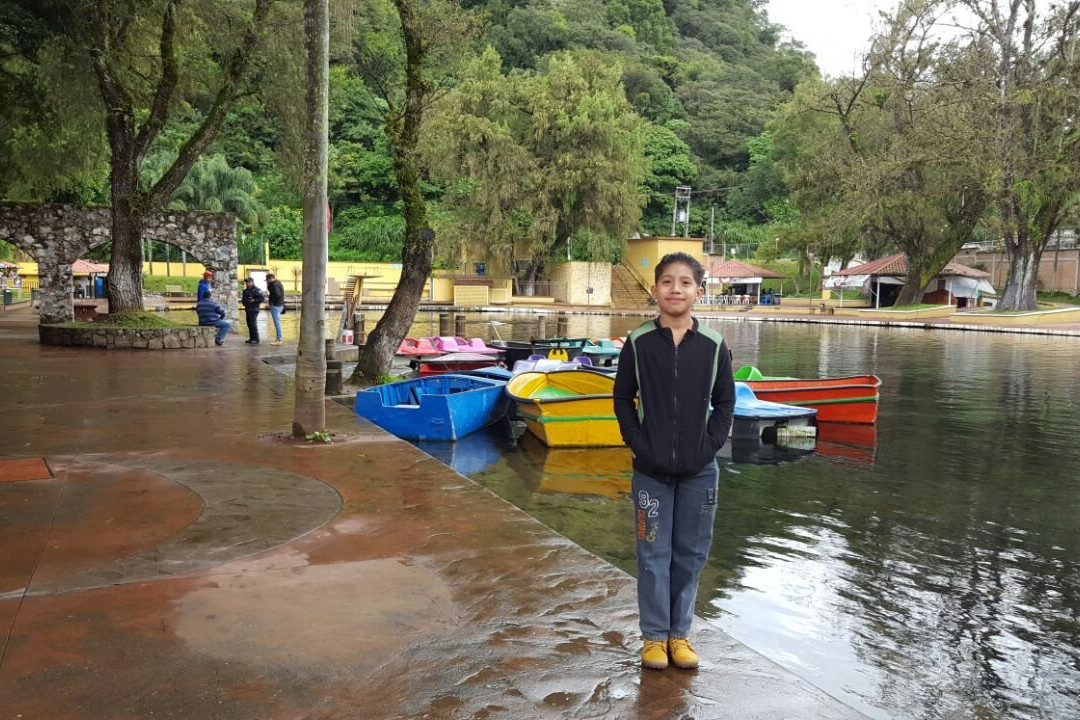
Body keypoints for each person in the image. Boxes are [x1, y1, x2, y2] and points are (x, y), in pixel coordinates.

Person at [613, 251, 736, 671]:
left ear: (698, 292)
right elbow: (622, 399)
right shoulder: (639, 342)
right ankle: (653, 638)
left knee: (691, 554)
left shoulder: (715, 346)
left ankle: (679, 636)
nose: (676, 289)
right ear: (655, 290)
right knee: (651, 553)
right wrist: (637, 444)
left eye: (685, 282)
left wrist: (710, 447)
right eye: (667, 281)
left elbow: (725, 404)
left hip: (701, 473)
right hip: (650, 473)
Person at [241, 277, 264, 344]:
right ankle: (252, 338)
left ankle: (256, 339)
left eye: (248, 282)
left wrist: (254, 300)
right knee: (249, 324)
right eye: (246, 282)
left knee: (253, 324)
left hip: (254, 309)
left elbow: (262, 298)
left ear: (252, 282)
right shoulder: (245, 290)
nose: (247, 283)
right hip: (247, 309)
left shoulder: (256, 290)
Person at [266, 273, 285, 346]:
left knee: (277, 323)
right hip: (280, 305)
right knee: (277, 322)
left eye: (268, 280)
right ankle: (278, 338)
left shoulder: (274, 285)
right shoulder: (278, 283)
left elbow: (277, 294)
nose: (267, 281)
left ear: (271, 278)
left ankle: (279, 339)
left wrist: (272, 302)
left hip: (276, 306)